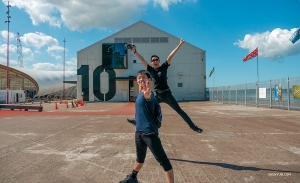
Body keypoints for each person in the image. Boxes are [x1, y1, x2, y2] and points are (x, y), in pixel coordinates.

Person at [127, 38, 203, 133]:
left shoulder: (164, 67)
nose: (155, 61)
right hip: (157, 95)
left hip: (167, 95)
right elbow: (142, 59)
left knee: (180, 111)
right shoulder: (150, 70)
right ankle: (137, 121)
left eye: (156, 59)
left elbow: (171, 55)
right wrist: (134, 51)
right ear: (151, 62)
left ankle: (193, 127)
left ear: (159, 61)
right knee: (142, 105)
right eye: (153, 60)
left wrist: (179, 45)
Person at [120, 70, 174, 183]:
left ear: (148, 80)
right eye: (139, 78)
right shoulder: (140, 94)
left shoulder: (148, 94)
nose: (141, 79)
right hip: (139, 132)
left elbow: (148, 98)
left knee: (163, 161)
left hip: (149, 133)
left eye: (143, 77)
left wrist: (147, 94)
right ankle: (133, 177)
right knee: (140, 158)